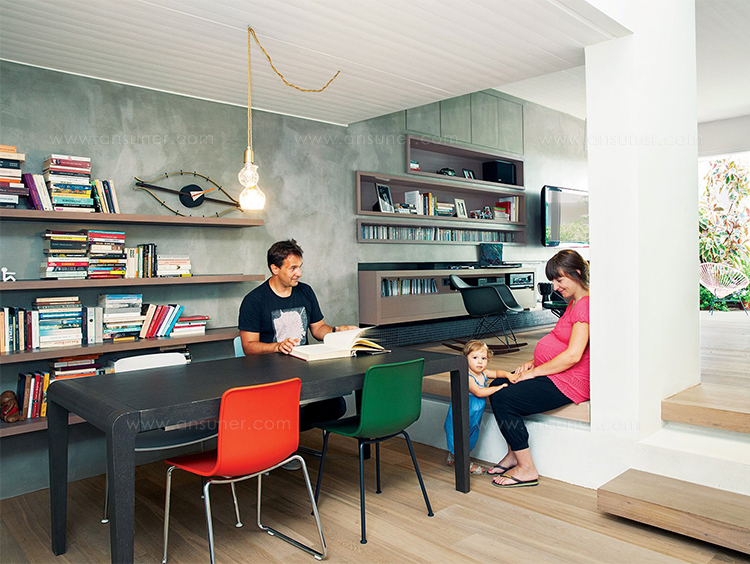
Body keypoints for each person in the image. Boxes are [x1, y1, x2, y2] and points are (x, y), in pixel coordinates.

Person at [487, 249, 590, 488]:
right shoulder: (574, 303)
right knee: (498, 384)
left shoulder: (585, 306)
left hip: (570, 381)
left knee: (504, 398)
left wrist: (533, 373)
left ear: (576, 273)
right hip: (557, 374)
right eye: (553, 280)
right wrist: (533, 363)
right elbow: (561, 342)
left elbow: (573, 355)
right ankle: (514, 453)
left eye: (559, 280)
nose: (555, 287)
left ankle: (526, 468)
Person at [238, 239, 358, 440]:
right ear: (275, 269)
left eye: (300, 267)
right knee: (282, 409)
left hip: (305, 371)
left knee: (336, 406)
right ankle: (279, 437)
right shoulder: (254, 300)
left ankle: (282, 433)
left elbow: (318, 329)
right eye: (293, 268)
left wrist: (337, 330)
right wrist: (277, 346)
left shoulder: (305, 291)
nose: (299, 273)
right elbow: (248, 347)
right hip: (270, 375)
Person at [444, 340, 508, 475]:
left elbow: (497, 373)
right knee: (459, 436)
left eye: (483, 358)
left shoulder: (483, 373)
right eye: (475, 358)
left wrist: (508, 375)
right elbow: (479, 392)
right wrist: (498, 388)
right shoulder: (468, 376)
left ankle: (454, 457)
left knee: (471, 438)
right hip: (462, 413)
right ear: (465, 358)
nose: (480, 362)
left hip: (474, 416)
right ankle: (463, 462)